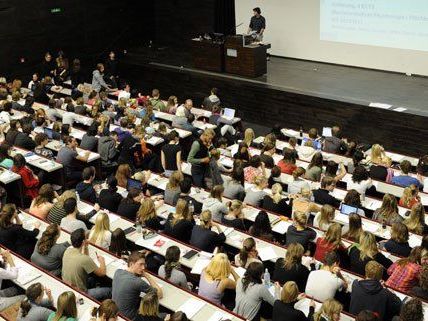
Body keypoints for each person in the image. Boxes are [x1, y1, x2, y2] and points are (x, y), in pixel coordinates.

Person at [62, 228, 111, 300]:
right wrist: (102, 261)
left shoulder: (67, 251)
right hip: (81, 292)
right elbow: (102, 273)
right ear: (83, 242)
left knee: (94, 277)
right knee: (110, 290)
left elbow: (86, 259)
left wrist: (85, 247)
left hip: (68, 284)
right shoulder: (84, 259)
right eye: (86, 238)